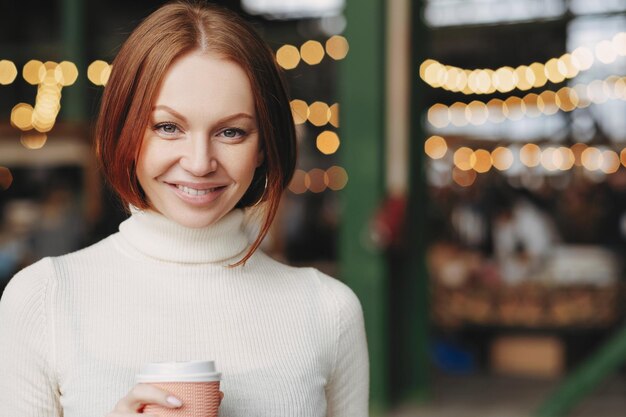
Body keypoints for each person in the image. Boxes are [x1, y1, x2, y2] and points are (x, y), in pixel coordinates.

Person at [0, 2, 369, 416]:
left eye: (231, 132)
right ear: (127, 131)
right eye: (168, 127)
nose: (199, 162)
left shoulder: (328, 311)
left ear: (263, 146)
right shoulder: (43, 299)